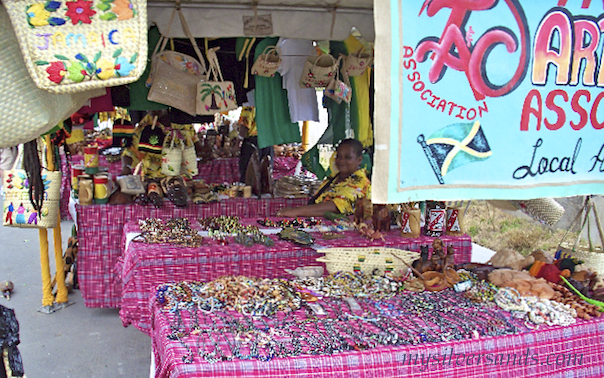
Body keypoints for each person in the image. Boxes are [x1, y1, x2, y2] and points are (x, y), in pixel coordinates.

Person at [276, 139, 371, 217]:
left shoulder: (360, 181)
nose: (341, 161)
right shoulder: (334, 178)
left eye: (347, 157)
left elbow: (335, 206)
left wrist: (295, 211)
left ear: (359, 160)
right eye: (338, 156)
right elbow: (320, 205)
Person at [238, 106, 274, 183]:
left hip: (253, 143)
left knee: (249, 172)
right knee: (266, 173)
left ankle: (249, 192)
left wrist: (237, 143)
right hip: (268, 141)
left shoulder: (250, 105)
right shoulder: (268, 104)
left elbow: (245, 124)